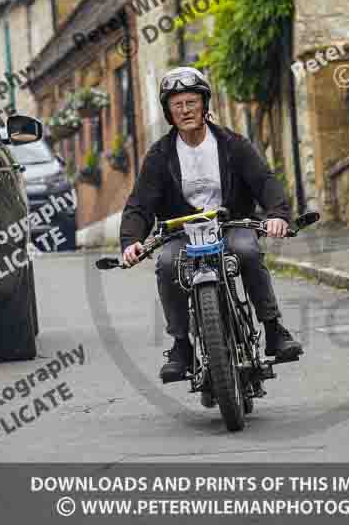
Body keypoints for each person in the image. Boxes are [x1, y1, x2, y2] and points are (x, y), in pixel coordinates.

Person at [120, 66, 303, 382]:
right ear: (169, 112)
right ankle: (181, 346)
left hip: (230, 225)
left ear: (204, 104)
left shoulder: (232, 144)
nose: (185, 110)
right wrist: (131, 240)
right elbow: (140, 203)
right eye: (177, 105)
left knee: (247, 251)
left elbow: (264, 181)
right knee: (166, 264)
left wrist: (277, 215)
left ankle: (274, 329)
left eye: (191, 102)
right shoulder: (160, 155)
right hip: (181, 233)